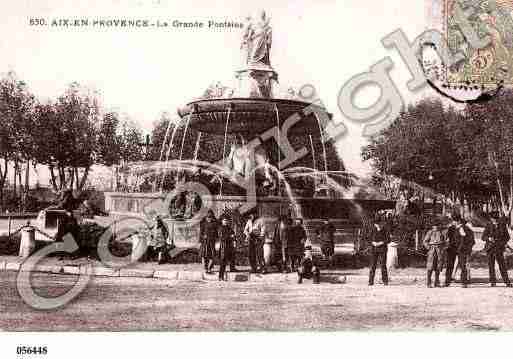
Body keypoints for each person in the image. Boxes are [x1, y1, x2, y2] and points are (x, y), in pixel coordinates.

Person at [482, 215, 512, 287]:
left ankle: (506, 282)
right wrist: (488, 238)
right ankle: (493, 282)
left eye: (496, 219)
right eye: (493, 219)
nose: (495, 221)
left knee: (502, 265)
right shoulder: (488, 225)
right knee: (491, 266)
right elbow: (483, 237)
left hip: (499, 248)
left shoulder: (502, 226)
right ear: (491, 219)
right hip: (490, 248)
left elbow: (507, 237)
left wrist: (501, 243)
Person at [423, 222, 447, 287]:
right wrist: (429, 247)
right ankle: (428, 282)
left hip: (439, 252)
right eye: (434, 226)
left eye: (437, 226)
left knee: (438, 267)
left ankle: (437, 282)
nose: (436, 227)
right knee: (430, 267)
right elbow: (425, 241)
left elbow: (445, 242)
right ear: (432, 227)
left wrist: (443, 248)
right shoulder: (430, 232)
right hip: (431, 251)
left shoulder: (442, 233)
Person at [368, 220, 390, 286]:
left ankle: (385, 281)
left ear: (382, 224)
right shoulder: (372, 230)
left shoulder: (385, 230)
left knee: (383, 265)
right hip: (374, 249)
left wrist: (382, 242)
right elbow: (368, 238)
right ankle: (370, 282)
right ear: (375, 225)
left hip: (382, 249)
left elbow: (388, 239)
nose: (379, 226)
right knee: (372, 265)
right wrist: (373, 242)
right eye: (377, 224)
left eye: (380, 224)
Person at [455, 217, 475, 288]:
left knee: (465, 265)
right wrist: (458, 247)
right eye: (461, 223)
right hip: (461, 251)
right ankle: (464, 281)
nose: (462, 225)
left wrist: (468, 248)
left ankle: (464, 281)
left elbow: (472, 241)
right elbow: (455, 241)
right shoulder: (457, 230)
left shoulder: (469, 231)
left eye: (463, 223)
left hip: (465, 251)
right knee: (464, 265)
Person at [218, 216, 237, 281]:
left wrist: (234, 240)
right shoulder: (221, 228)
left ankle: (232, 269)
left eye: (226, 220)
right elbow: (222, 238)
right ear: (222, 221)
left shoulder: (229, 228)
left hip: (230, 246)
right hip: (224, 246)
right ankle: (221, 276)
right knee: (223, 262)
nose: (225, 221)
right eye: (224, 220)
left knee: (232, 258)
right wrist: (230, 236)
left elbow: (233, 235)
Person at [199, 210, 218, 274]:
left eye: (210, 217)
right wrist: (202, 238)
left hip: (212, 242)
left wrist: (216, 239)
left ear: (213, 217)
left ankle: (209, 268)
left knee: (212, 256)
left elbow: (217, 234)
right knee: (203, 256)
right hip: (205, 242)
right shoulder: (203, 224)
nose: (209, 218)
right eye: (208, 217)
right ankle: (205, 268)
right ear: (206, 217)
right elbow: (201, 233)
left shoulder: (215, 224)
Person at [444, 218, 459, 287]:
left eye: (456, 221)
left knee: (463, 264)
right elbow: (447, 238)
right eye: (454, 221)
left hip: (459, 248)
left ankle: (466, 280)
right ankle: (447, 280)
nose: (455, 222)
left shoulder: (461, 228)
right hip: (451, 248)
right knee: (450, 264)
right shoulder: (450, 228)